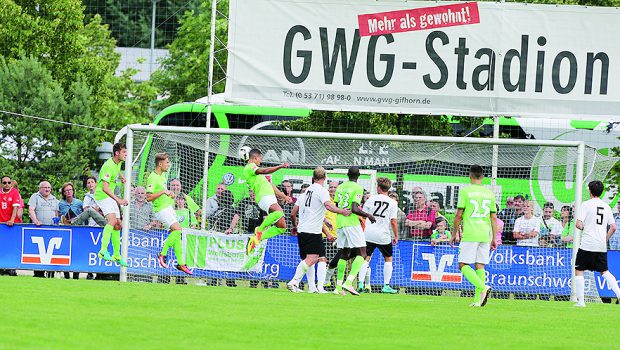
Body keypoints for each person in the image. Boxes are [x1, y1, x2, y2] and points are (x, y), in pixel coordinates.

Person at [287, 167, 350, 293]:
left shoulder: (305, 193)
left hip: (302, 230)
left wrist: (295, 226)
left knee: (317, 258)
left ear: (312, 177)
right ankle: (294, 281)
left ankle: (314, 287)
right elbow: (328, 205)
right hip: (313, 231)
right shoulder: (322, 191)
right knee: (313, 258)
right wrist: (342, 211)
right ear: (325, 178)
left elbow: (293, 213)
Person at [450, 165, 497, 307]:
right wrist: (494, 238)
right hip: (485, 234)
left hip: (470, 233)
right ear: (482, 177)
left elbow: (459, 215)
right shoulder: (489, 193)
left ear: (470, 176)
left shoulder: (466, 191)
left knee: (463, 264)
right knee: (480, 265)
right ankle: (478, 300)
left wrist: (453, 234)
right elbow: (493, 217)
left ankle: (483, 288)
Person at [573, 180, 620, 307]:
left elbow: (578, 224)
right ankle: (619, 294)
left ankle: (581, 302)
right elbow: (614, 227)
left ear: (590, 191)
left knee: (579, 269)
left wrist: (584, 228)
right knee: (604, 271)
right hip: (601, 245)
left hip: (587, 243)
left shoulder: (586, 205)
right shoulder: (607, 206)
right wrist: (605, 239)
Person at [147, 153, 193, 275]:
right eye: (167, 162)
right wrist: (163, 192)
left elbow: (162, 192)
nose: (168, 165)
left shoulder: (162, 176)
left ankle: (181, 263)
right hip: (161, 210)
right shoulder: (153, 177)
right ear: (160, 164)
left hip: (168, 207)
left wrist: (169, 194)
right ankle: (162, 254)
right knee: (178, 230)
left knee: (176, 235)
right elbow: (149, 197)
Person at [333, 167, 376, 296]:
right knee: (363, 252)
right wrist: (368, 215)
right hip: (351, 223)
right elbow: (355, 208)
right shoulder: (357, 188)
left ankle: (338, 288)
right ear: (359, 175)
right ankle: (349, 282)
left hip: (340, 222)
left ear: (347, 174)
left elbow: (336, 206)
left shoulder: (340, 187)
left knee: (344, 254)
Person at [242, 149, 291, 258]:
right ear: (255, 158)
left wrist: (284, 197)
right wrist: (280, 166)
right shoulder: (250, 167)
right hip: (264, 197)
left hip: (270, 197)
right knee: (279, 212)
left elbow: (271, 186)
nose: (260, 161)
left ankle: (256, 240)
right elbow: (264, 171)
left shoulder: (257, 174)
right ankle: (259, 231)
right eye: (260, 159)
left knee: (282, 227)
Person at [357, 177, 399, 294]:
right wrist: (396, 236)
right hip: (383, 235)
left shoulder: (371, 199)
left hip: (368, 233)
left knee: (365, 258)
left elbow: (363, 215)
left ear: (378, 187)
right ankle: (386, 285)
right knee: (388, 258)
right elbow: (393, 221)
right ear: (388, 189)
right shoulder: (393, 202)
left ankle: (360, 283)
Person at [93, 143, 129, 267]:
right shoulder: (108, 166)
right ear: (117, 153)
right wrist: (118, 200)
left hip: (110, 196)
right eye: (124, 152)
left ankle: (116, 255)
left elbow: (117, 169)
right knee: (112, 221)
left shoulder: (117, 162)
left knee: (118, 225)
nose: (126, 154)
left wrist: (121, 176)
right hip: (103, 196)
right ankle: (103, 251)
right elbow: (104, 188)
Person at [28, 180, 60, 278]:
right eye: (45, 187)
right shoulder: (35, 196)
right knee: (38, 250)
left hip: (51, 229)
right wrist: (36, 221)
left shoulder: (55, 199)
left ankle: (51, 272)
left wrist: (56, 223)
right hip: (39, 228)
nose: (47, 189)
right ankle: (38, 273)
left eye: (49, 188)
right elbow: (31, 210)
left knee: (51, 251)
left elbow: (57, 213)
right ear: (40, 188)